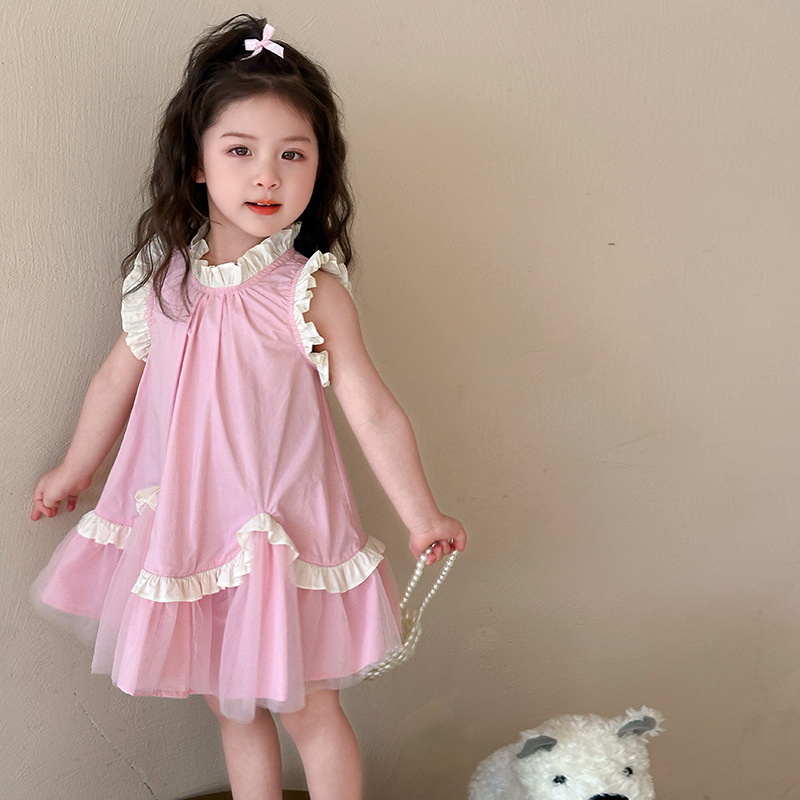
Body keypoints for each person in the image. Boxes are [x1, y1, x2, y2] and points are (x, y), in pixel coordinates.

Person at [29, 14, 466, 800]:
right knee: (227, 703)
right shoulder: (162, 280)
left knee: (307, 706)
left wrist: (421, 514)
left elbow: (370, 408)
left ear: (319, 168)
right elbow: (115, 381)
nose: (267, 176)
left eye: (292, 154)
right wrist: (74, 469)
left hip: (280, 529)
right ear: (196, 164)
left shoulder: (309, 290)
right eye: (240, 151)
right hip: (191, 524)